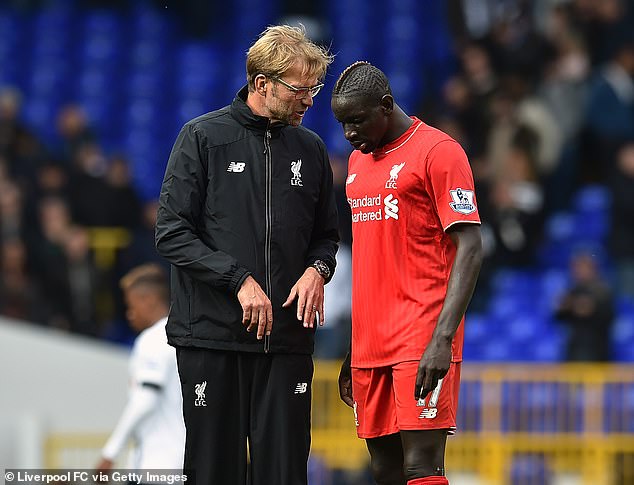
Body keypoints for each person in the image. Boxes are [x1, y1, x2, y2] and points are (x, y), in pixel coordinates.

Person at [155, 25, 339, 485]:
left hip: (287, 342)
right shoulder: (202, 137)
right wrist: (238, 279)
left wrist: (319, 270)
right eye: (300, 89)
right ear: (262, 85)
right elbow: (171, 232)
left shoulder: (312, 149)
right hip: (212, 339)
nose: (309, 99)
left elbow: (327, 237)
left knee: (286, 472)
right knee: (215, 471)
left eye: (313, 88)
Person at [331, 62, 483, 485]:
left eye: (357, 120)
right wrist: (353, 346)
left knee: (421, 465)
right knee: (384, 468)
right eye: (342, 123)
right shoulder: (358, 164)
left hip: (421, 333)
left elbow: (470, 247)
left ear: (386, 105)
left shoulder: (438, 151)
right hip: (369, 341)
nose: (348, 133)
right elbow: (374, 257)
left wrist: (442, 338)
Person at [95, 264, 185, 475]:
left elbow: (145, 400)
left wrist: (110, 453)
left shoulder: (153, 339)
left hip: (156, 463)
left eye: (131, 305)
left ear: (149, 300)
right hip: (180, 460)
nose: (129, 314)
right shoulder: (179, 334)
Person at [554, 247, 615, 361]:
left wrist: (588, 308)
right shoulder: (573, 290)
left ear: (593, 269)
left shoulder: (602, 290)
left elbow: (608, 316)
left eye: (583, 267)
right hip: (575, 348)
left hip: (596, 349)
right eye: (577, 267)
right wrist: (564, 307)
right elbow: (558, 317)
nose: (579, 271)